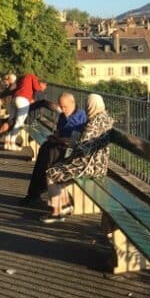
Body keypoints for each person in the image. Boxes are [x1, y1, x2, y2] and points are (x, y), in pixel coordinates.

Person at [41, 94, 114, 223]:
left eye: (87, 105)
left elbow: (82, 148)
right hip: (100, 164)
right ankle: (65, 205)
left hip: (89, 166)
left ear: (90, 106)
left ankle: (57, 212)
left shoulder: (93, 122)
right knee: (59, 166)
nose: (86, 108)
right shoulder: (107, 119)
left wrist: (67, 144)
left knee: (51, 173)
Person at [18, 92, 86, 206]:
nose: (63, 110)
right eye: (61, 107)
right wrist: (54, 137)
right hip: (60, 145)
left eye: (65, 107)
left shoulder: (81, 117)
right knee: (44, 149)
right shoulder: (63, 115)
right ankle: (33, 194)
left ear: (73, 103)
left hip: (72, 150)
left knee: (49, 155)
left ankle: (39, 193)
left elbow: (76, 140)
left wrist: (60, 140)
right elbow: (58, 131)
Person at [0, 73, 47, 152]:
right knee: (13, 123)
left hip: (17, 105)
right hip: (25, 113)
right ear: (41, 84)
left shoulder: (22, 85)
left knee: (6, 123)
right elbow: (38, 99)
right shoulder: (36, 88)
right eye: (44, 84)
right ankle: (9, 143)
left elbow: (10, 92)